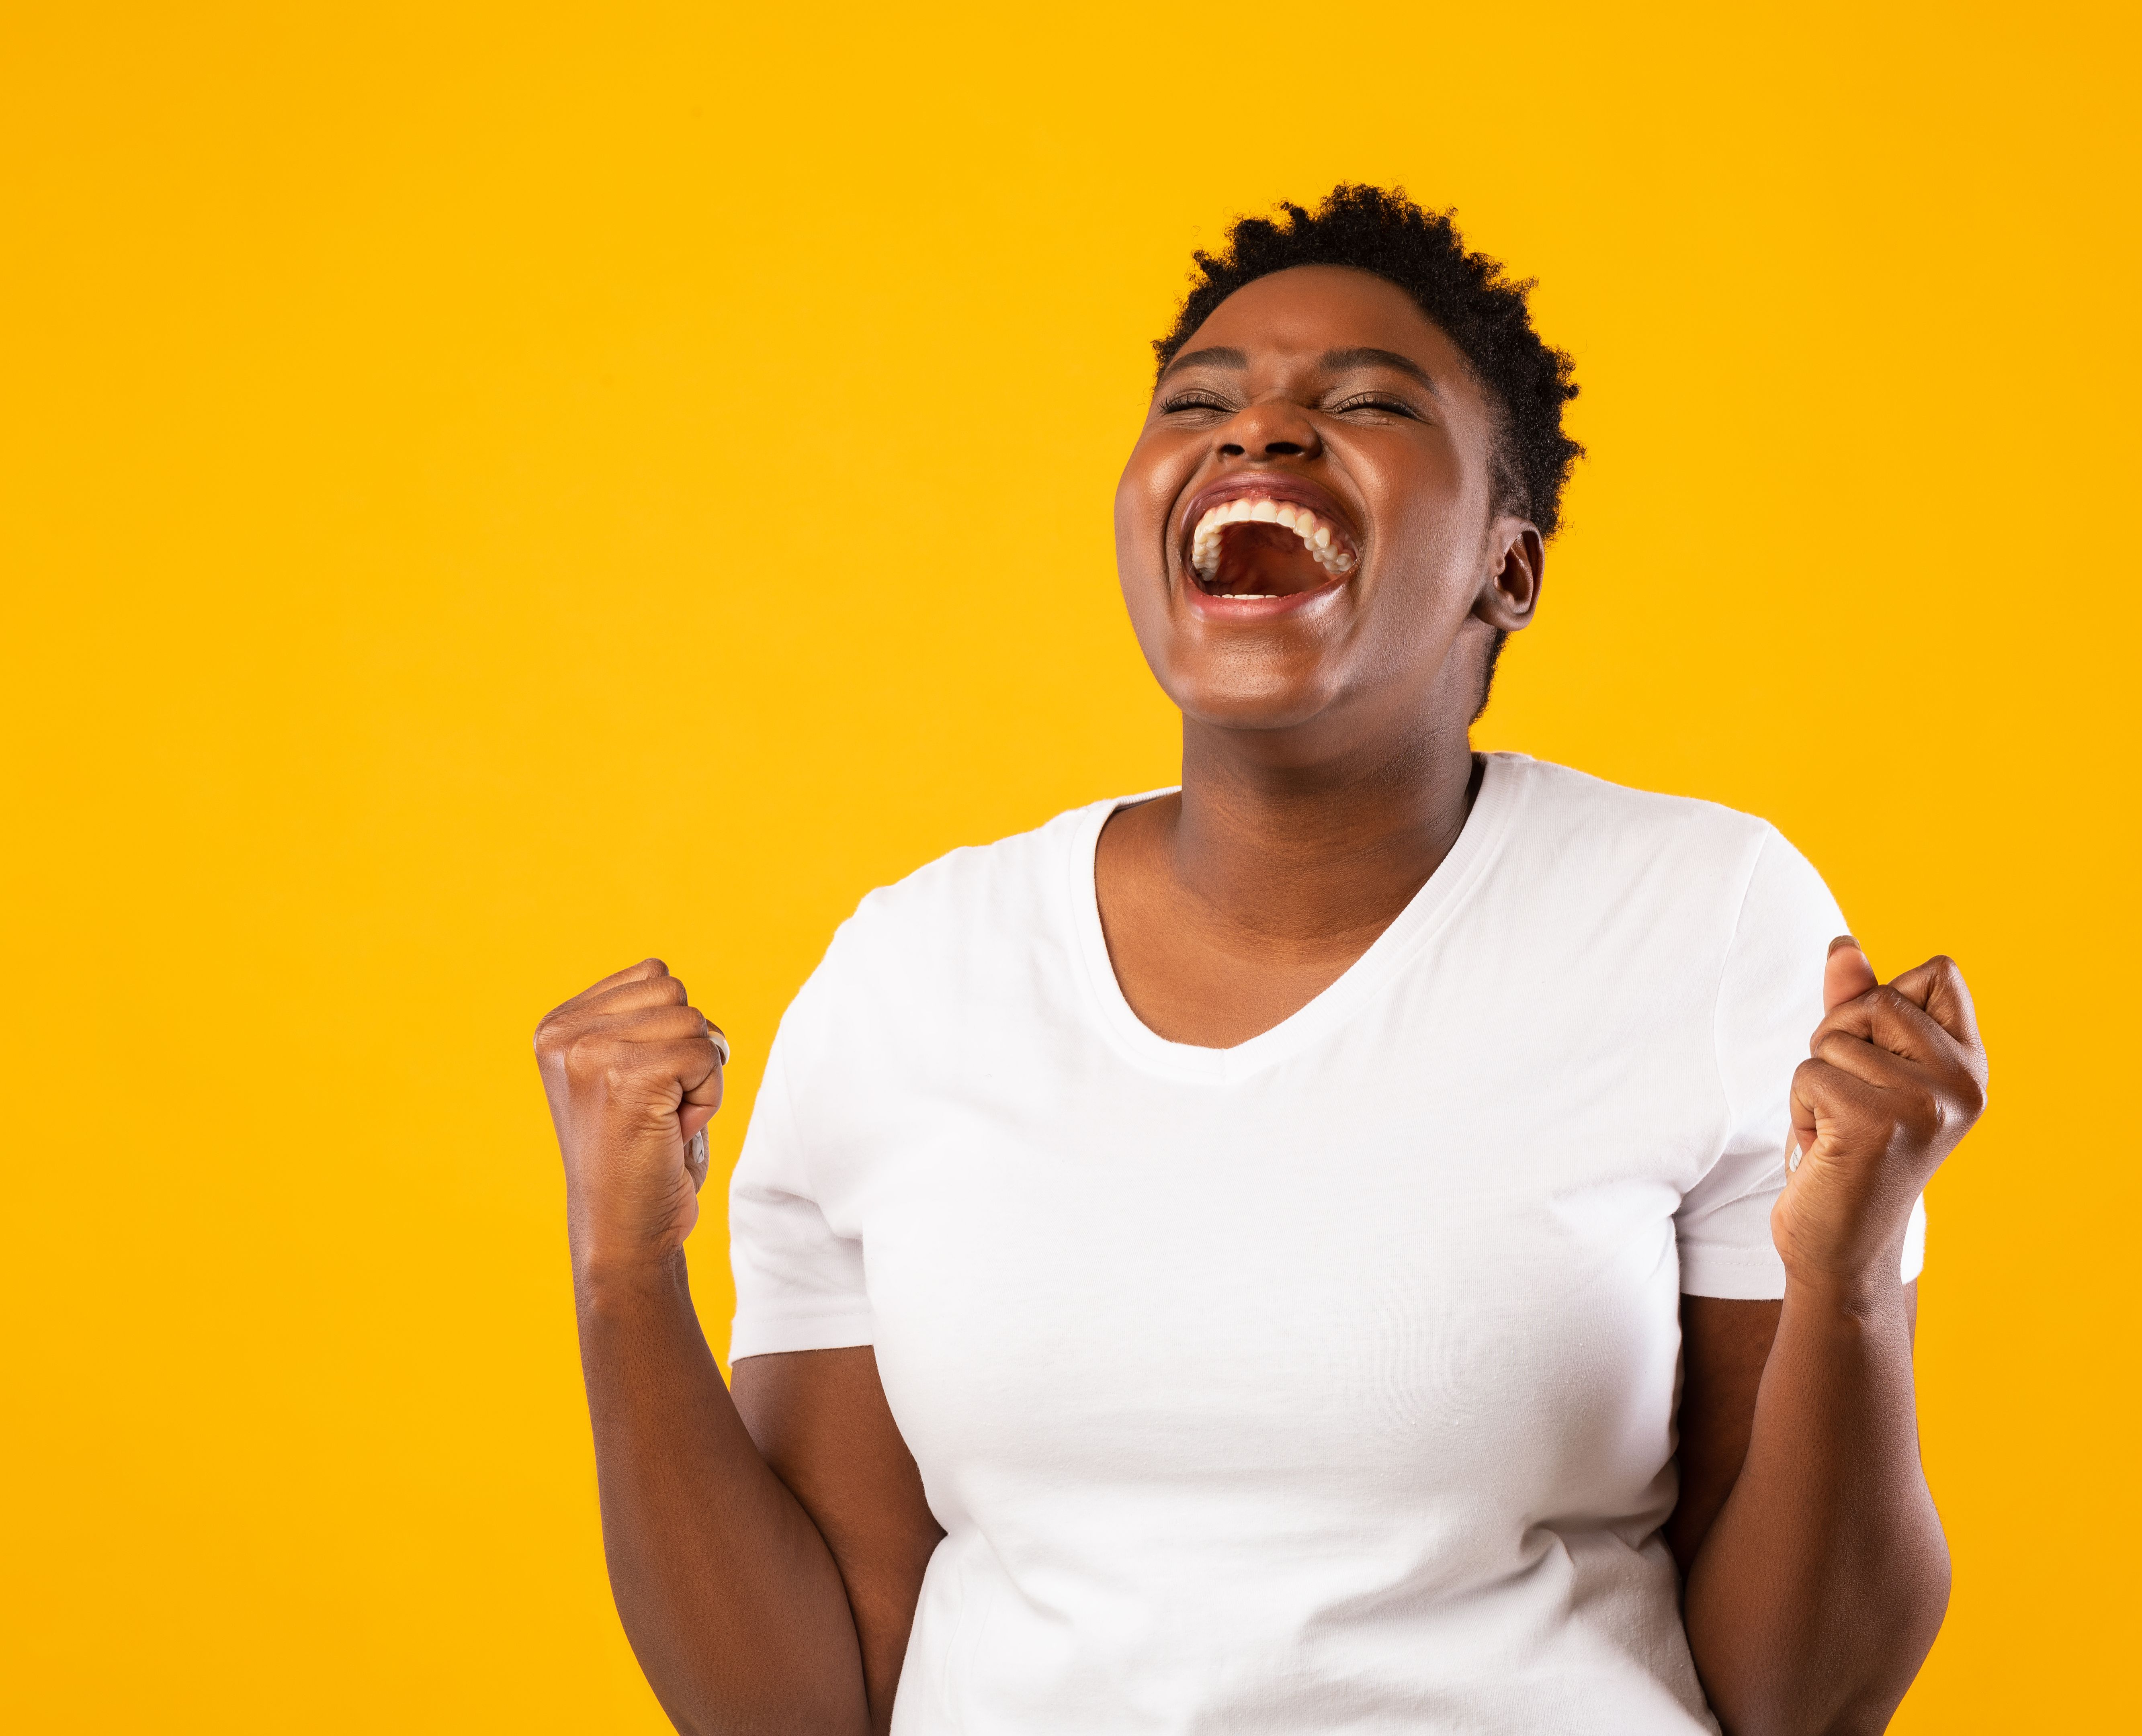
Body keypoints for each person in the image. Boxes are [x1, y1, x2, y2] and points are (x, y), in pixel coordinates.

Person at [534, 184, 1987, 1736]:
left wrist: (1845, 1281)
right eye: (1201, 404)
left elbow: (1803, 1702)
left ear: (1509, 570)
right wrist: (624, 1277)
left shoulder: (1702, 916)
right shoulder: (912, 975)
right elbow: (807, 1711)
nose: (1261, 434)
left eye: (1365, 401)